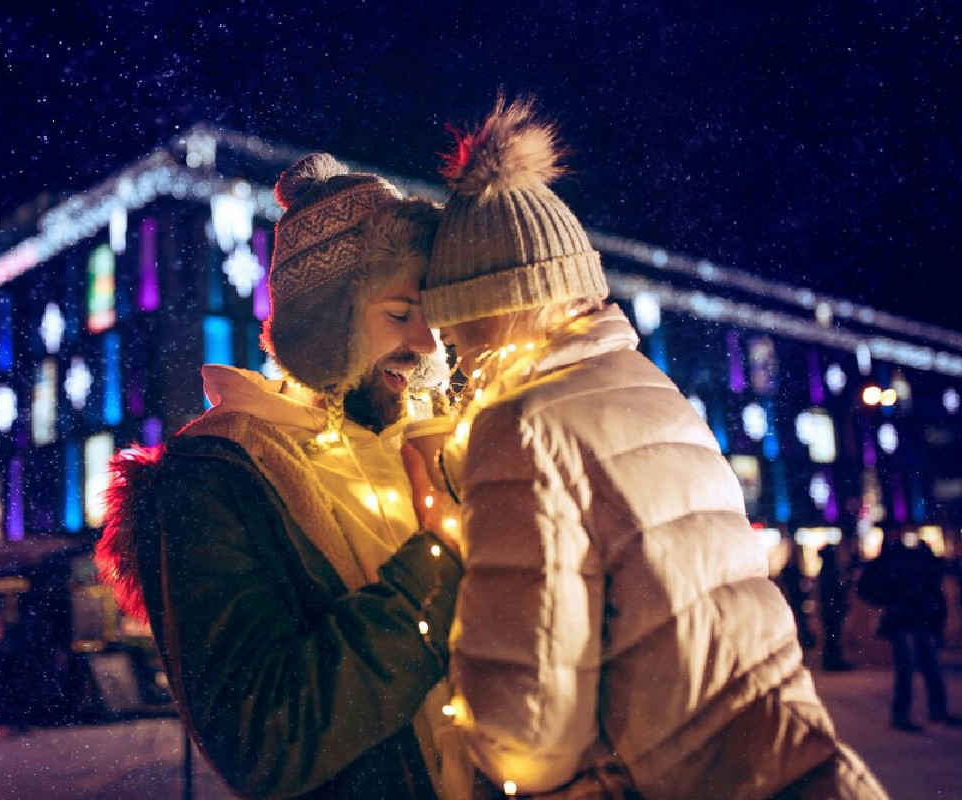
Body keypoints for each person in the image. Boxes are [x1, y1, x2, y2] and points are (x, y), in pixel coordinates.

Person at [402, 97, 889, 799]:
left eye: (455, 331)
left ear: (486, 312)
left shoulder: (523, 422)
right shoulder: (651, 390)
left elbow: (528, 735)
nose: (452, 355)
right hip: (794, 765)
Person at [95, 154, 478, 799]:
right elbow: (266, 738)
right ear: (322, 323)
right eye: (398, 313)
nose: (429, 346)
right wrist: (435, 567)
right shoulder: (216, 478)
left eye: (434, 317)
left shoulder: (451, 441)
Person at [858, 529, 960, 732]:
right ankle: (907, 713)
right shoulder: (898, 560)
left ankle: (920, 711)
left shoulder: (901, 560)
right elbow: (868, 588)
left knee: (923, 666)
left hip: (912, 619)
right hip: (907, 619)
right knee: (914, 667)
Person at [818, 541, 856, 671]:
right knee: (833, 636)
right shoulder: (831, 569)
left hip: (829, 609)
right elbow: (835, 590)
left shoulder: (826, 568)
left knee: (831, 636)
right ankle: (833, 662)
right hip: (833, 609)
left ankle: (831, 661)